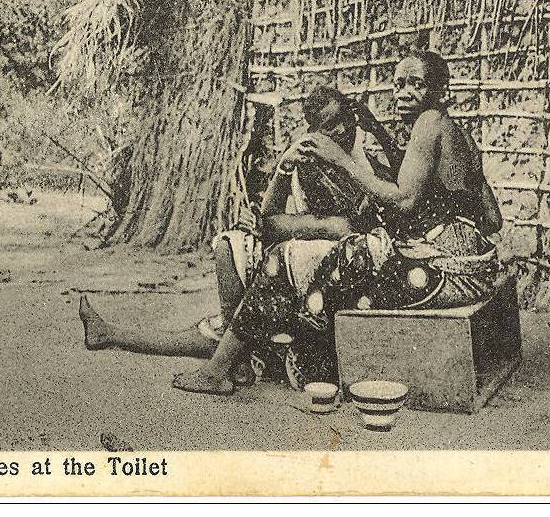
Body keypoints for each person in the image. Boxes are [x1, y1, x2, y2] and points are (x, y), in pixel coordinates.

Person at [172, 50, 505, 396]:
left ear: (441, 91)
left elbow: (404, 199)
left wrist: (342, 161)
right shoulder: (459, 134)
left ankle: (222, 371)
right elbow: (492, 219)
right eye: (399, 84)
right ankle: (284, 357)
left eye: (416, 85)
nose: (404, 93)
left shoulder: (429, 123)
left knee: (287, 262)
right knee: (331, 265)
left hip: (440, 273)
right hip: (475, 273)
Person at [78, 85, 398, 373]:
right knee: (232, 244)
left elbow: (380, 213)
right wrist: (291, 175)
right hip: (305, 254)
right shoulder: (305, 162)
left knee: (224, 331)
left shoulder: (366, 165)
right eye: (329, 126)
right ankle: (116, 333)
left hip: (333, 271)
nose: (341, 130)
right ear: (313, 133)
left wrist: (371, 134)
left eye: (345, 120)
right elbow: (270, 224)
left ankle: (229, 352)